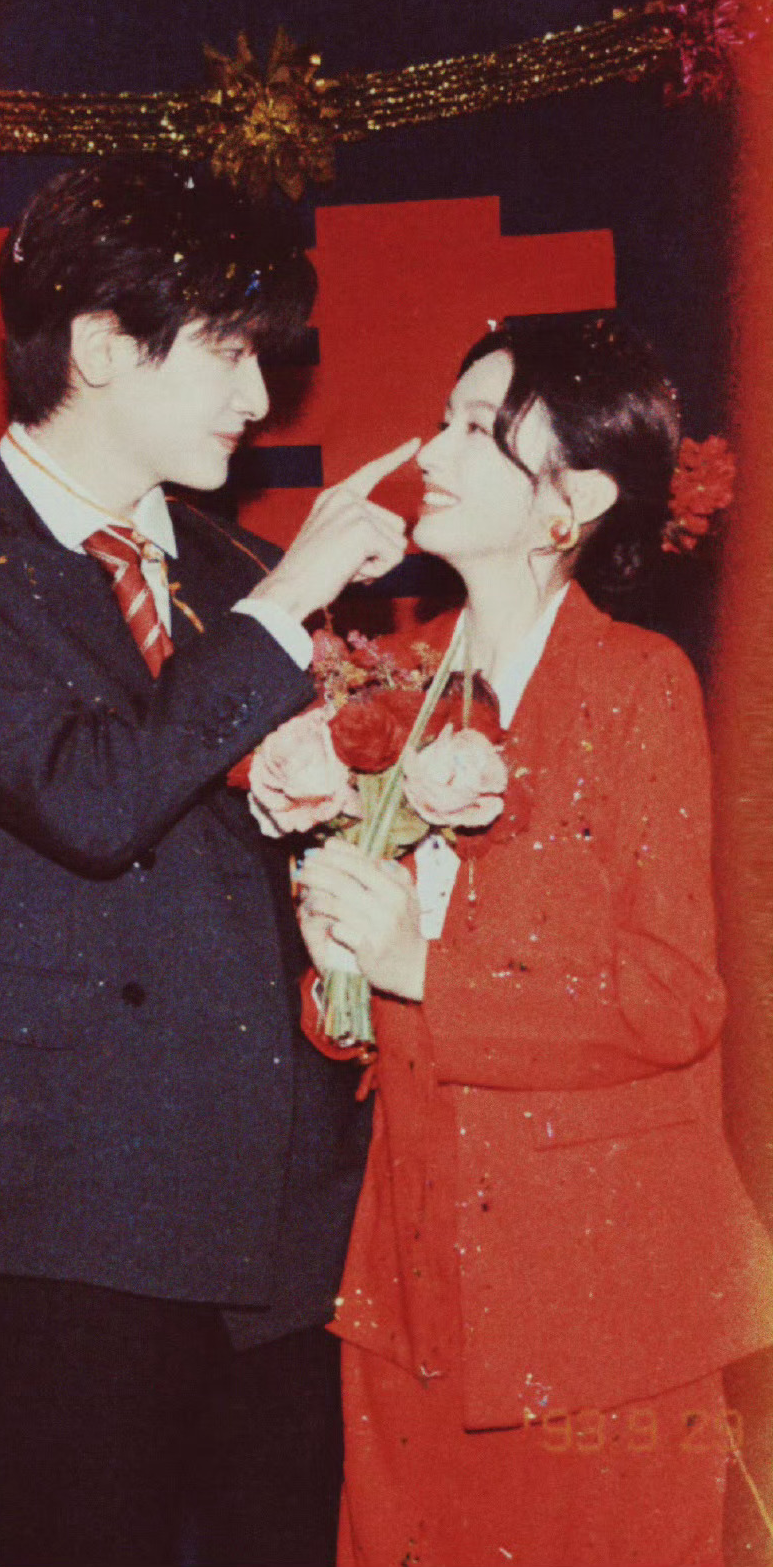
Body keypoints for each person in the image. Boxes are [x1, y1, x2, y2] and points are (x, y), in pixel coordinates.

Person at [0, 156, 419, 1567]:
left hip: (283, 1202)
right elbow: (88, 796)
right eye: (228, 352)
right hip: (64, 1195)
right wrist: (287, 603)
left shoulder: (235, 569)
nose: (259, 398)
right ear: (97, 346)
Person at [297, 314, 773, 1567]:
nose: (432, 451)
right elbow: (353, 1022)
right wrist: (338, 952)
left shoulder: (639, 684)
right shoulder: (391, 687)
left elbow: (672, 1001)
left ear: (576, 498)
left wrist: (416, 967)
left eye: (477, 428)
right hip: (410, 1282)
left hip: (597, 1297)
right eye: (444, 419)